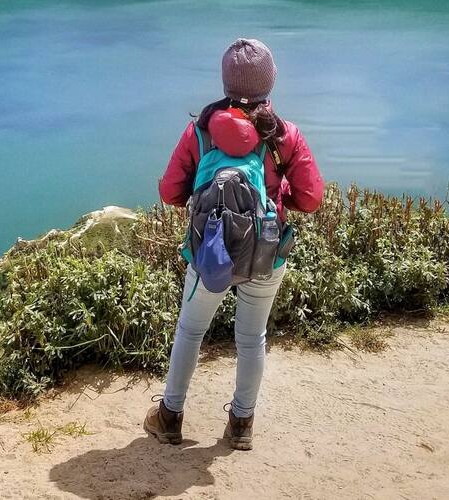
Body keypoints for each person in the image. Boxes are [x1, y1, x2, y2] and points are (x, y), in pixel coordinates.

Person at [145, 38, 324, 451]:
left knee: (191, 330)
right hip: (265, 250)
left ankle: (170, 417)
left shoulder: (200, 130)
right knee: (251, 337)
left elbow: (171, 191)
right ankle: (241, 425)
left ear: (226, 81)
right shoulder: (285, 136)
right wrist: (278, 203)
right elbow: (312, 199)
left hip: (208, 251)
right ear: (269, 82)